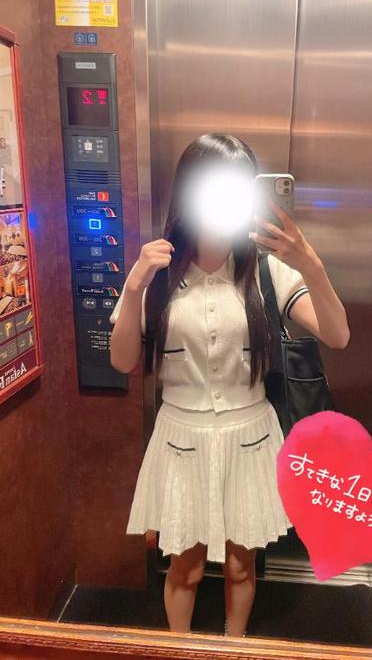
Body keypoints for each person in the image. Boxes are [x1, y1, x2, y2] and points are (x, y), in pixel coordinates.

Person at [109, 132, 349, 637]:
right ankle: (180, 649)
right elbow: (124, 360)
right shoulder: (158, 270)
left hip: (250, 438)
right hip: (182, 439)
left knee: (242, 566)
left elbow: (338, 335)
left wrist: (309, 262)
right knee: (185, 567)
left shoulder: (266, 270)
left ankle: (233, 644)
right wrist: (133, 287)